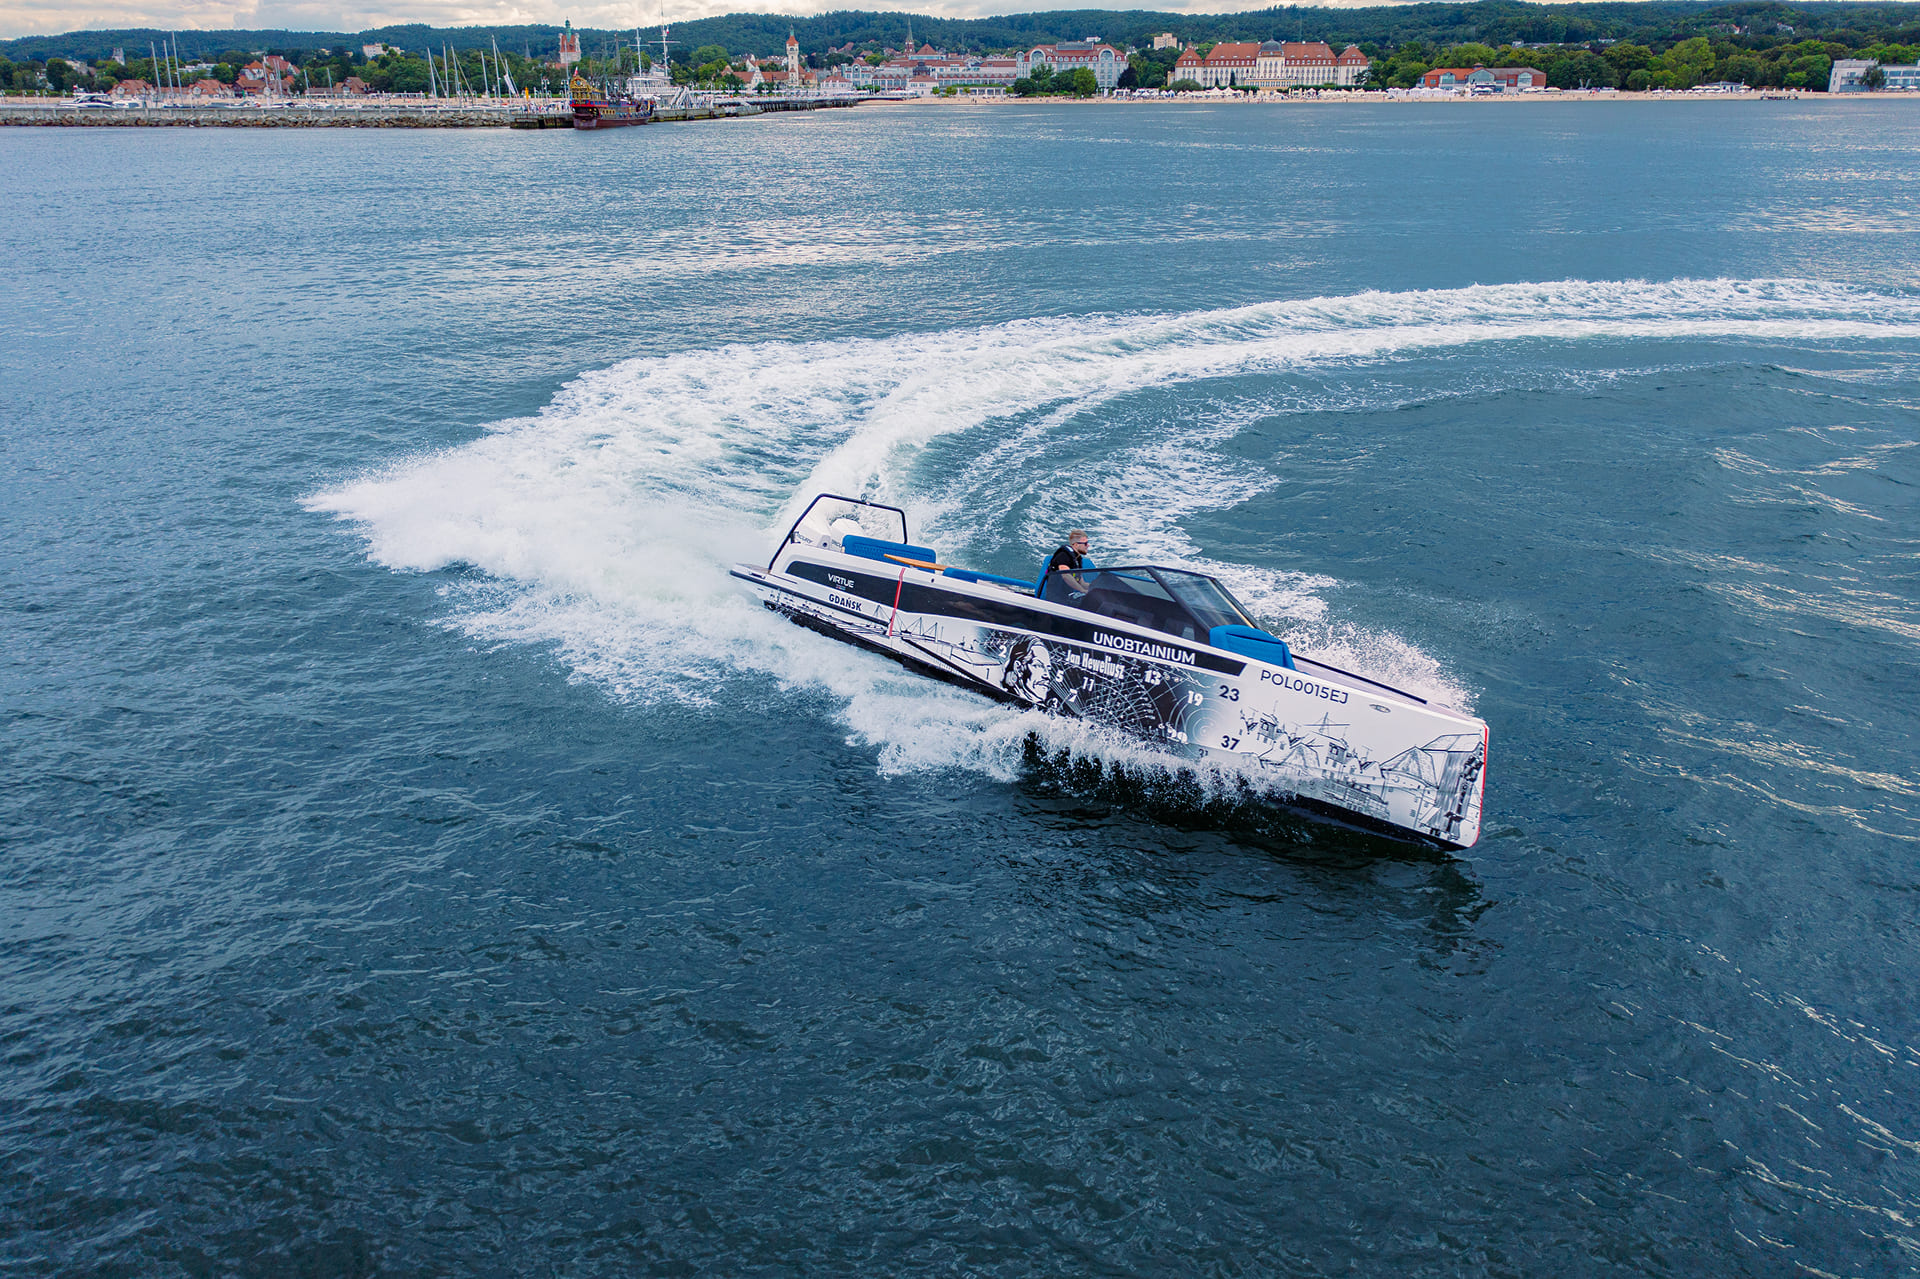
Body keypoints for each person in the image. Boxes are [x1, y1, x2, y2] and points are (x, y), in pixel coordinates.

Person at [1046, 529, 1092, 594]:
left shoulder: (1077, 558)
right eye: (1085, 543)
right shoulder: (1063, 555)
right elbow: (1066, 575)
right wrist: (1082, 590)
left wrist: (1096, 586)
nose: (1088, 545)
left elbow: (1082, 583)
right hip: (1056, 596)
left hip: (1068, 595)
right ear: (1076, 545)